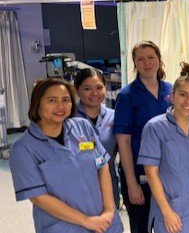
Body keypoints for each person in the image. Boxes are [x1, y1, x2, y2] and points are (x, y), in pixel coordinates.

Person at [10, 78, 123, 233]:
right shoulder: (23, 148)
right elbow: (39, 197)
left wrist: (109, 210)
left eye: (66, 100)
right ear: (37, 103)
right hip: (64, 227)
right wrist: (86, 221)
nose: (60, 106)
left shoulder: (83, 127)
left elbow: (102, 166)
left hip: (104, 222)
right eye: (52, 100)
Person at [138, 63, 189, 233]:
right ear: (172, 96)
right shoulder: (155, 128)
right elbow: (151, 173)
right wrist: (167, 212)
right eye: (183, 95)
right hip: (173, 213)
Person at [114, 40, 173, 233]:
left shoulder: (170, 90)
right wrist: (131, 183)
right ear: (135, 64)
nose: (147, 63)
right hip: (139, 173)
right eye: (141, 59)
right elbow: (123, 141)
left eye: (151, 57)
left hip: (167, 172)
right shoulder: (127, 95)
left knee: (169, 223)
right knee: (141, 226)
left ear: (159, 61)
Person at [74, 68, 120, 208]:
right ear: (77, 90)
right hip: (79, 183)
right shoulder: (69, 119)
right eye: (87, 88)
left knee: (111, 222)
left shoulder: (115, 116)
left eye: (99, 88)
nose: (94, 93)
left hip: (109, 180)